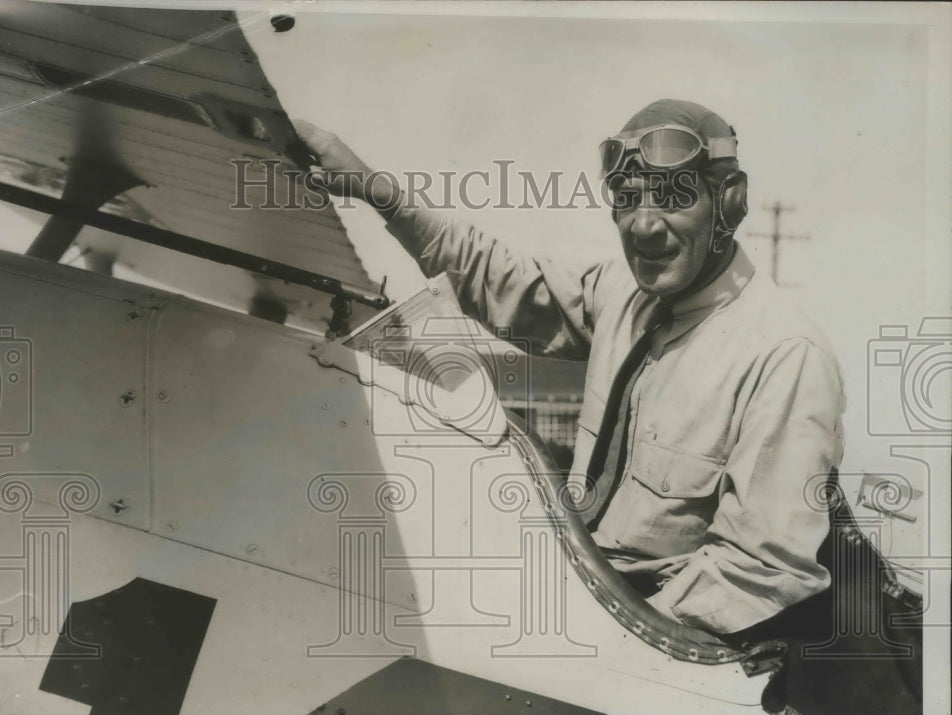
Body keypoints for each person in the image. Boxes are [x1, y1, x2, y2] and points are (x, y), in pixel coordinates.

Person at [294, 99, 846, 636]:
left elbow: (759, 572)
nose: (645, 227)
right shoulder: (621, 294)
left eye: (675, 197)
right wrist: (377, 191)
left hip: (648, 629)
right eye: (628, 200)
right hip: (574, 589)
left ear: (729, 203)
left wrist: (605, 636)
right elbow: (500, 280)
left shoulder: (785, 356)